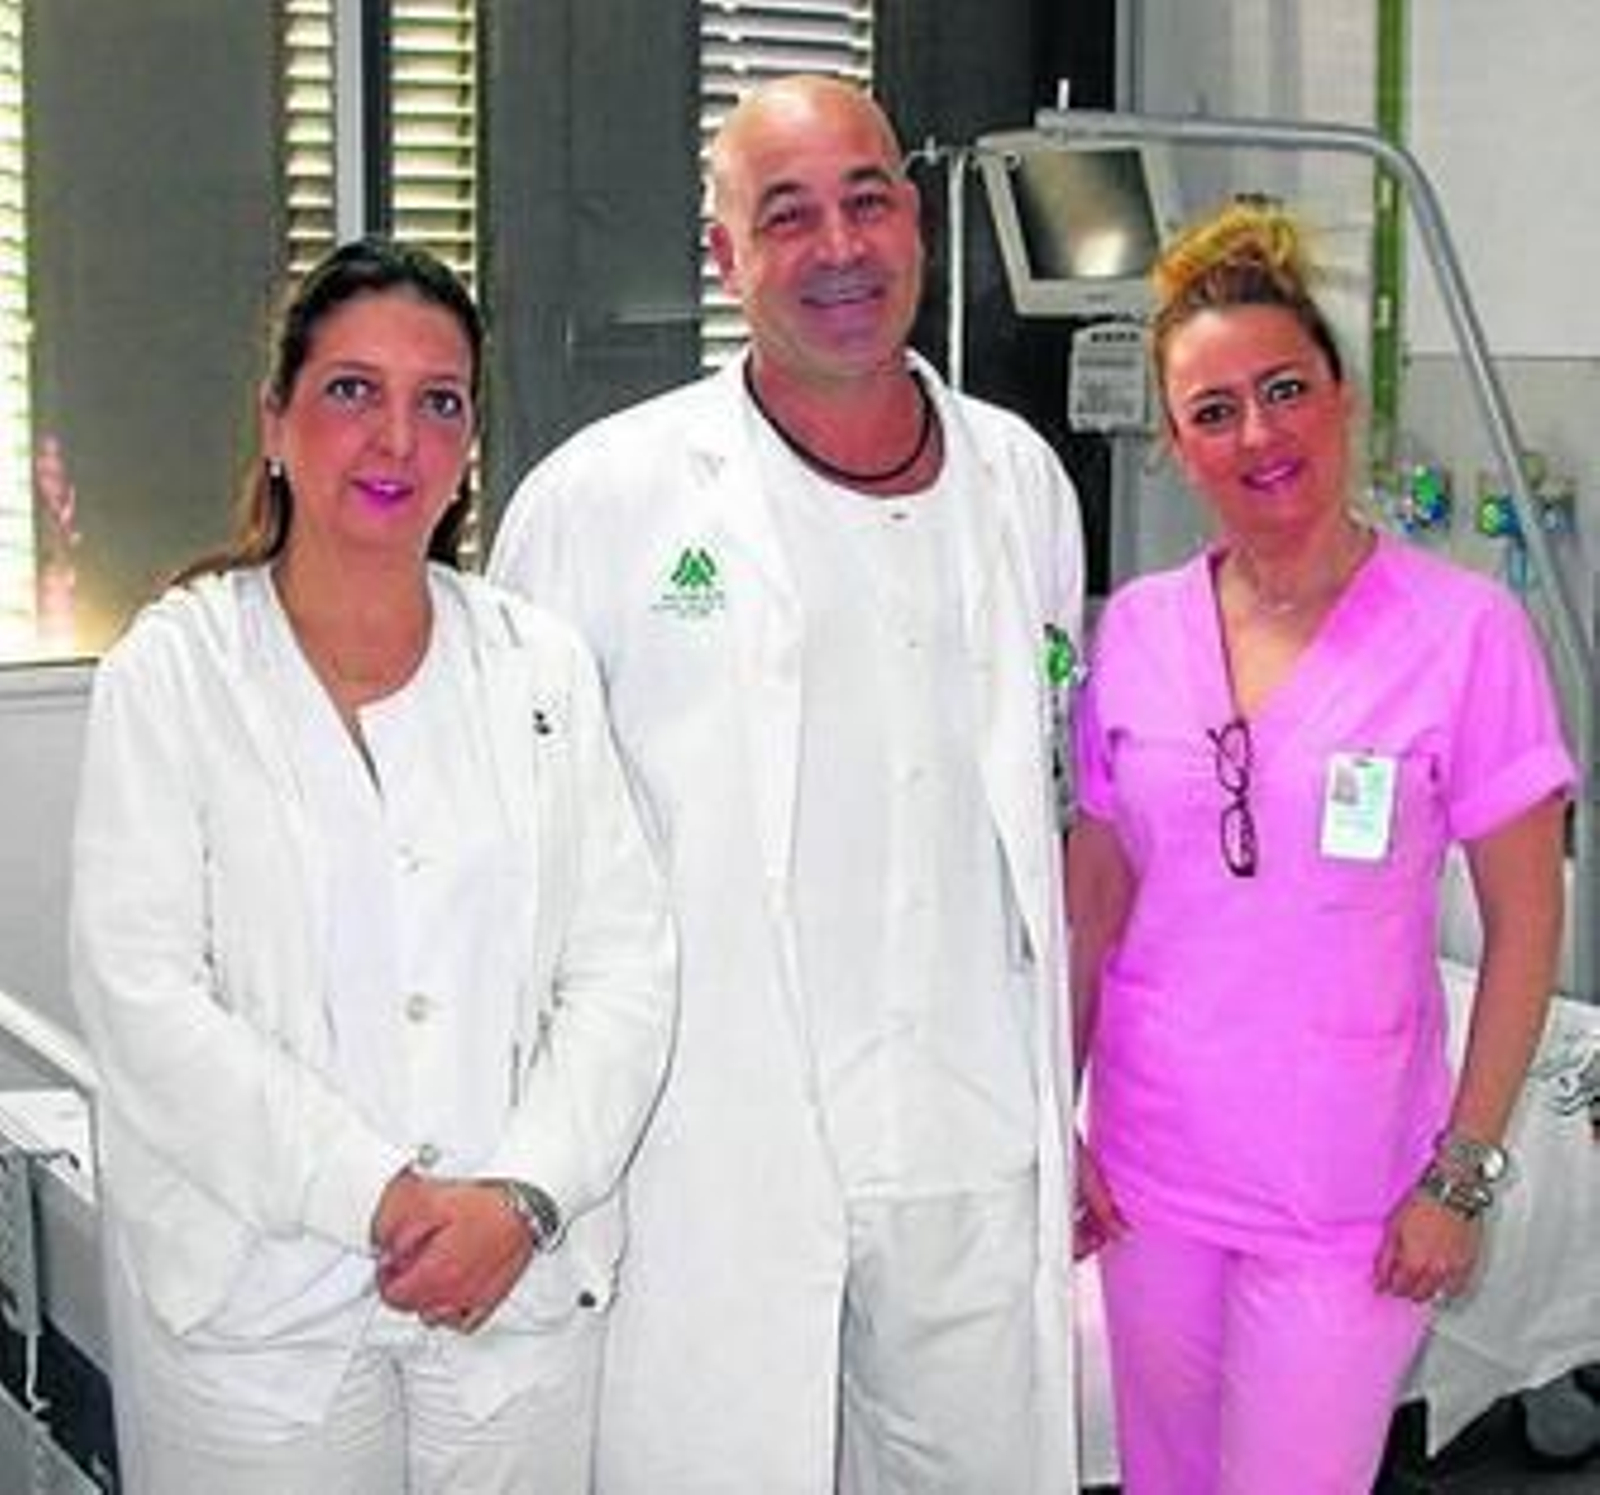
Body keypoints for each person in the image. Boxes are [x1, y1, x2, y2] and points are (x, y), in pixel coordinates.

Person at [491, 73, 1083, 1495]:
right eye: (787, 216)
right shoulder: (602, 499)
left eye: (867, 202)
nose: (839, 249)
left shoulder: (1021, 482)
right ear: (725, 256)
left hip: (969, 1131)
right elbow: (517, 845)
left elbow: (1053, 803)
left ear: (916, 221)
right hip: (715, 1132)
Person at [70, 238, 676, 1494]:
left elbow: (624, 968)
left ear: (470, 444)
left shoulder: (539, 669)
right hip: (255, 1304)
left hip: (507, 1290)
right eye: (352, 389)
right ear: (274, 421)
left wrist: (522, 1197)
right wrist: (377, 1194)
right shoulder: (175, 674)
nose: (396, 438)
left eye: (438, 401)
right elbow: (143, 997)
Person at [1067, 198, 1575, 1494]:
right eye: (1214, 410)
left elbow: (1526, 924)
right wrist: (1053, 1112)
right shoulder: (1139, 631)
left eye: (1284, 389)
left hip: (1348, 1187)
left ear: (1343, 396)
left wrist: (1462, 1175)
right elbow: (1097, 889)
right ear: (1176, 443)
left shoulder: (1463, 634)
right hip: (1151, 1169)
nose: (1258, 433)